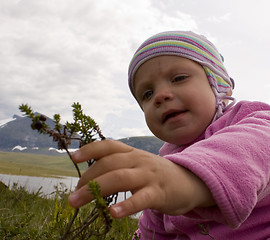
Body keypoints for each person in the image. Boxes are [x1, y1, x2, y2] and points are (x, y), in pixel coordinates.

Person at [68, 31, 270, 239]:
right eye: (147, 94)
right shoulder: (162, 167)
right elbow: (154, 232)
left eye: (179, 78)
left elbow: (252, 148)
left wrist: (185, 178)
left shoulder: (252, 120)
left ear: (220, 85)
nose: (160, 96)